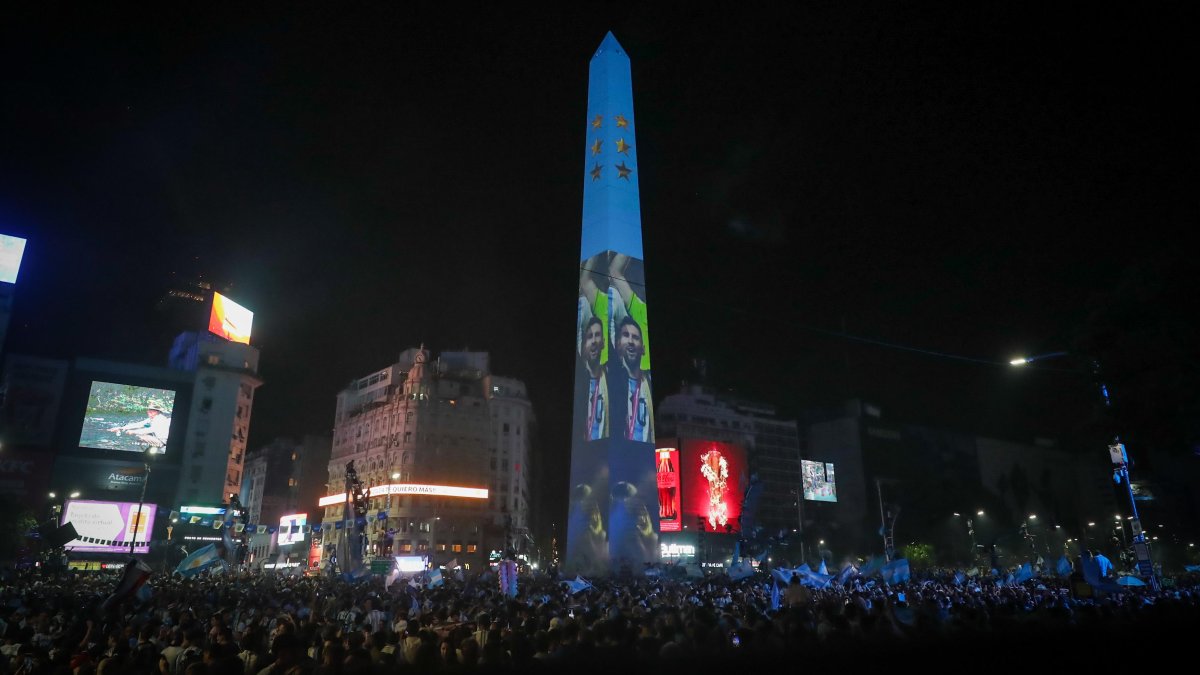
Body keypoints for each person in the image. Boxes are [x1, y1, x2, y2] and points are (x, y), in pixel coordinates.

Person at [610, 315, 653, 442]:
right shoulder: (611, 382)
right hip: (620, 451)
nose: (631, 341)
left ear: (644, 349)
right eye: (626, 335)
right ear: (617, 345)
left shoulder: (649, 382)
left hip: (645, 454)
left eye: (635, 337)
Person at [578, 316, 609, 440]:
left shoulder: (609, 377)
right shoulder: (580, 384)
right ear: (584, 344)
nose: (594, 341)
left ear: (603, 342)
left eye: (597, 335)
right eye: (590, 336)